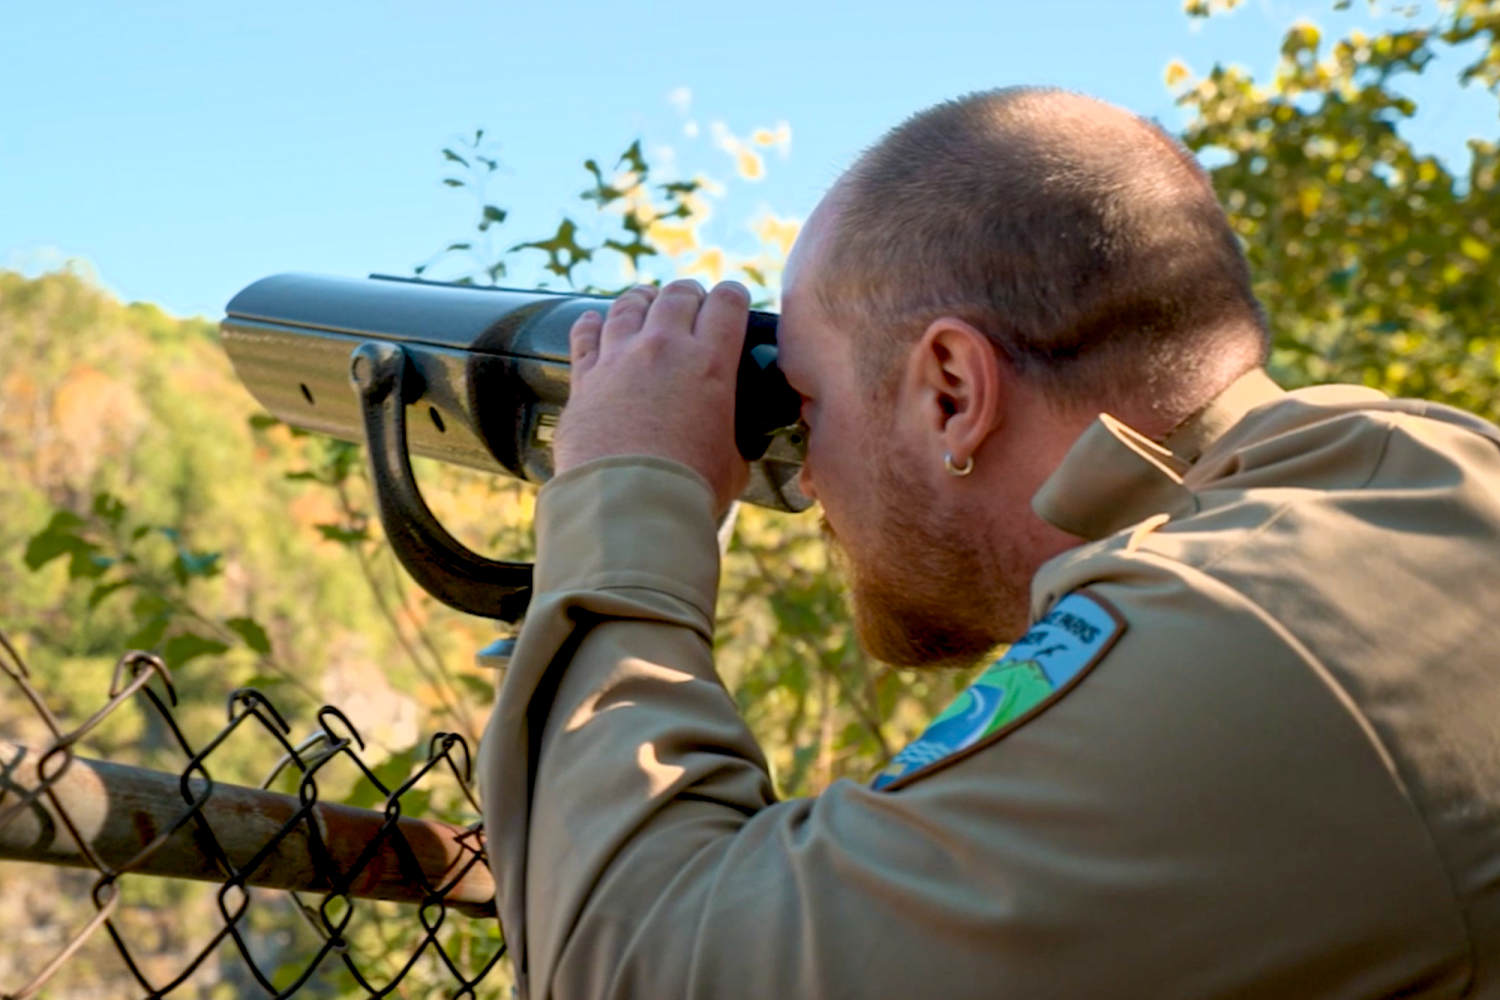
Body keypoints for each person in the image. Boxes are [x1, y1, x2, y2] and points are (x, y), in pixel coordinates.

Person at [477, 88, 1500, 998]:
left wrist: (626, 482)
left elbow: (643, 960)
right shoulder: (1415, 482)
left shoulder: (1246, 630)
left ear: (953, 391)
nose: (803, 474)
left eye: (804, 403)